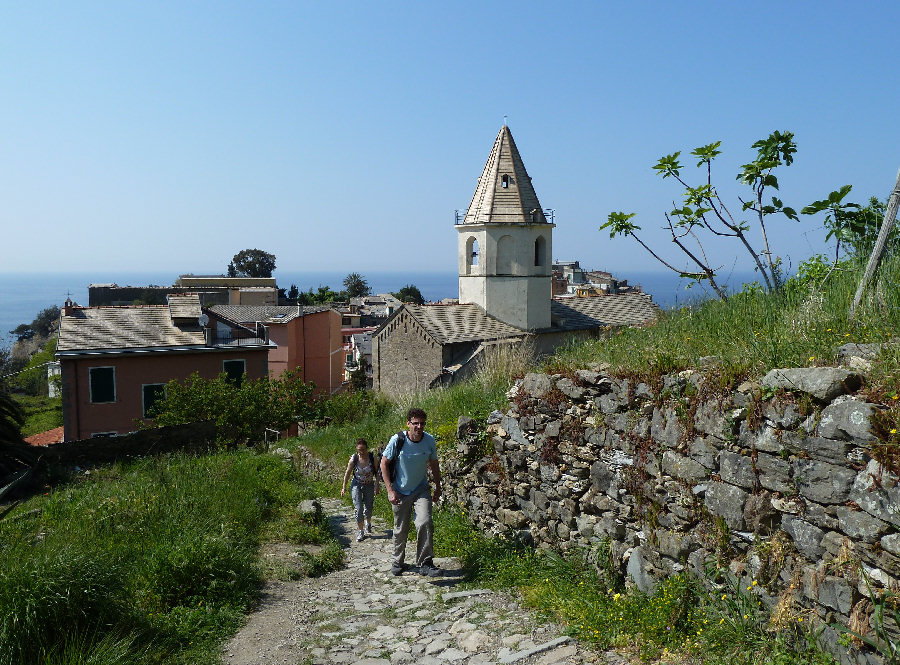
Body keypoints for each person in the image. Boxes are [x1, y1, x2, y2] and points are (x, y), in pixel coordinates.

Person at [379, 408, 443, 577]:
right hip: (400, 490)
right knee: (401, 529)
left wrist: (438, 486)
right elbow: (384, 463)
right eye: (415, 423)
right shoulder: (397, 440)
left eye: (422, 423)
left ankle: (425, 563)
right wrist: (390, 490)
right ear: (408, 423)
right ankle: (397, 561)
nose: (419, 427)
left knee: (425, 522)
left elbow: (434, 464)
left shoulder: (429, 441)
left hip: (421, 489)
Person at [341, 438, 379, 542]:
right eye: (359, 450)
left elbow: (377, 472)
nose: (361, 452)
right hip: (356, 484)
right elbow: (348, 472)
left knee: (368, 507)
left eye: (363, 449)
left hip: (369, 484)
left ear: (367, 448)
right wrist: (344, 487)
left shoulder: (372, 458)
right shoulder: (354, 458)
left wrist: (377, 485)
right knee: (358, 508)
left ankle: (368, 522)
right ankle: (361, 531)